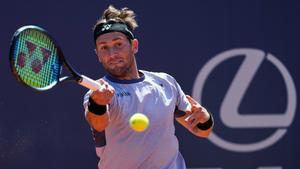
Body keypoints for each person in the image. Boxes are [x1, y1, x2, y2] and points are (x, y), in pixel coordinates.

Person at [83, 5, 214, 169]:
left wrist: (204, 118)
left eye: (118, 44)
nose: (112, 54)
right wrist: (98, 103)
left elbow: (202, 131)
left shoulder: (165, 83)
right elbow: (98, 123)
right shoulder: (96, 93)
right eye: (104, 48)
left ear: (134, 46)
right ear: (98, 55)